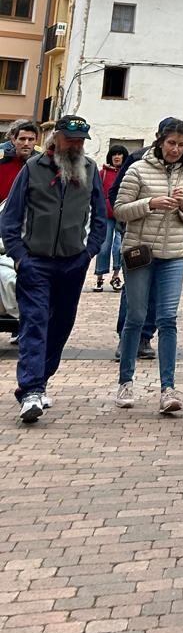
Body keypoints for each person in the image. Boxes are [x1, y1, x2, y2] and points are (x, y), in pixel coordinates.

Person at [0, 115, 106, 422]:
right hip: (36, 262)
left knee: (60, 327)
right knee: (34, 323)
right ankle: (31, 389)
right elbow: (10, 218)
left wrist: (90, 251)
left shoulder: (89, 169)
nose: (76, 145)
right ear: (56, 137)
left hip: (73, 262)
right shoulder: (33, 169)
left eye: (81, 141)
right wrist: (20, 256)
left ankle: (39, 381)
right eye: (71, 140)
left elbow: (101, 215)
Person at [112, 117, 183, 414]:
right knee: (136, 316)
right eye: (171, 143)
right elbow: (119, 210)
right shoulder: (137, 168)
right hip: (140, 252)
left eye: (181, 144)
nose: (176, 149)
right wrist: (150, 203)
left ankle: (168, 388)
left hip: (173, 254)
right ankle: (126, 381)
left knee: (168, 318)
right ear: (159, 141)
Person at [93, 144, 128, 292]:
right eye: (114, 154)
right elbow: (96, 193)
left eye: (120, 154)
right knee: (104, 247)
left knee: (119, 248)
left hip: (122, 215)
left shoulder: (129, 173)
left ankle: (116, 276)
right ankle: (99, 277)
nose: (117, 157)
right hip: (105, 215)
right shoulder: (103, 173)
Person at [0, 119, 39, 203]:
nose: (26, 143)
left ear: (36, 141)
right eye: (22, 139)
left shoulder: (41, 163)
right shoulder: (2, 158)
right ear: (13, 140)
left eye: (31, 139)